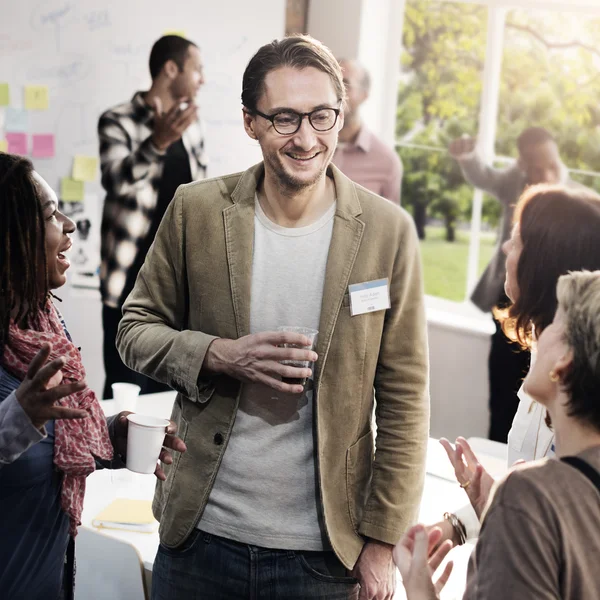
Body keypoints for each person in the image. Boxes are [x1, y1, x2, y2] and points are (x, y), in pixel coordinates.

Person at [117, 34, 429, 600]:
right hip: (200, 542)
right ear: (250, 122)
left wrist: (382, 543)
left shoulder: (387, 232)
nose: (306, 138)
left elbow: (406, 398)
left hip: (325, 556)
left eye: (322, 116)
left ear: (341, 113)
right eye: (284, 118)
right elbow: (134, 328)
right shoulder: (198, 211)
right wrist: (219, 355)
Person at [0, 153, 186, 599]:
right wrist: (15, 419)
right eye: (49, 215)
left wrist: (105, 441)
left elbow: (44, 452)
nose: (69, 225)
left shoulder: (43, 328)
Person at [395, 269, 600, 599]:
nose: (538, 333)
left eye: (553, 323)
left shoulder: (527, 496)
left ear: (564, 361)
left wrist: (420, 590)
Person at [426, 184, 600, 547]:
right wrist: (459, 521)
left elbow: (562, 533)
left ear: (543, 261)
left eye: (517, 239)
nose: (505, 247)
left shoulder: (580, 391)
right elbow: (536, 504)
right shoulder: (542, 353)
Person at [449, 127, 582, 443]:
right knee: (505, 394)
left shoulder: (575, 204)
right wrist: (467, 156)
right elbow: (485, 176)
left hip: (551, 310)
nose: (547, 174)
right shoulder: (515, 187)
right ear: (523, 166)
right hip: (509, 305)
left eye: (552, 165)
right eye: (537, 168)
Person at [98, 34, 207, 399]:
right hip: (127, 278)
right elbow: (115, 181)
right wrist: (157, 143)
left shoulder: (193, 125)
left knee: (166, 387)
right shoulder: (118, 120)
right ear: (171, 69)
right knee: (124, 386)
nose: (201, 80)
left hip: (176, 280)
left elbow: (198, 193)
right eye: (197, 70)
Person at [331, 59, 403, 204]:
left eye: (345, 84)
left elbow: (390, 224)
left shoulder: (387, 162)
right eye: (331, 83)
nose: (334, 92)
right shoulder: (303, 144)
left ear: (364, 95)